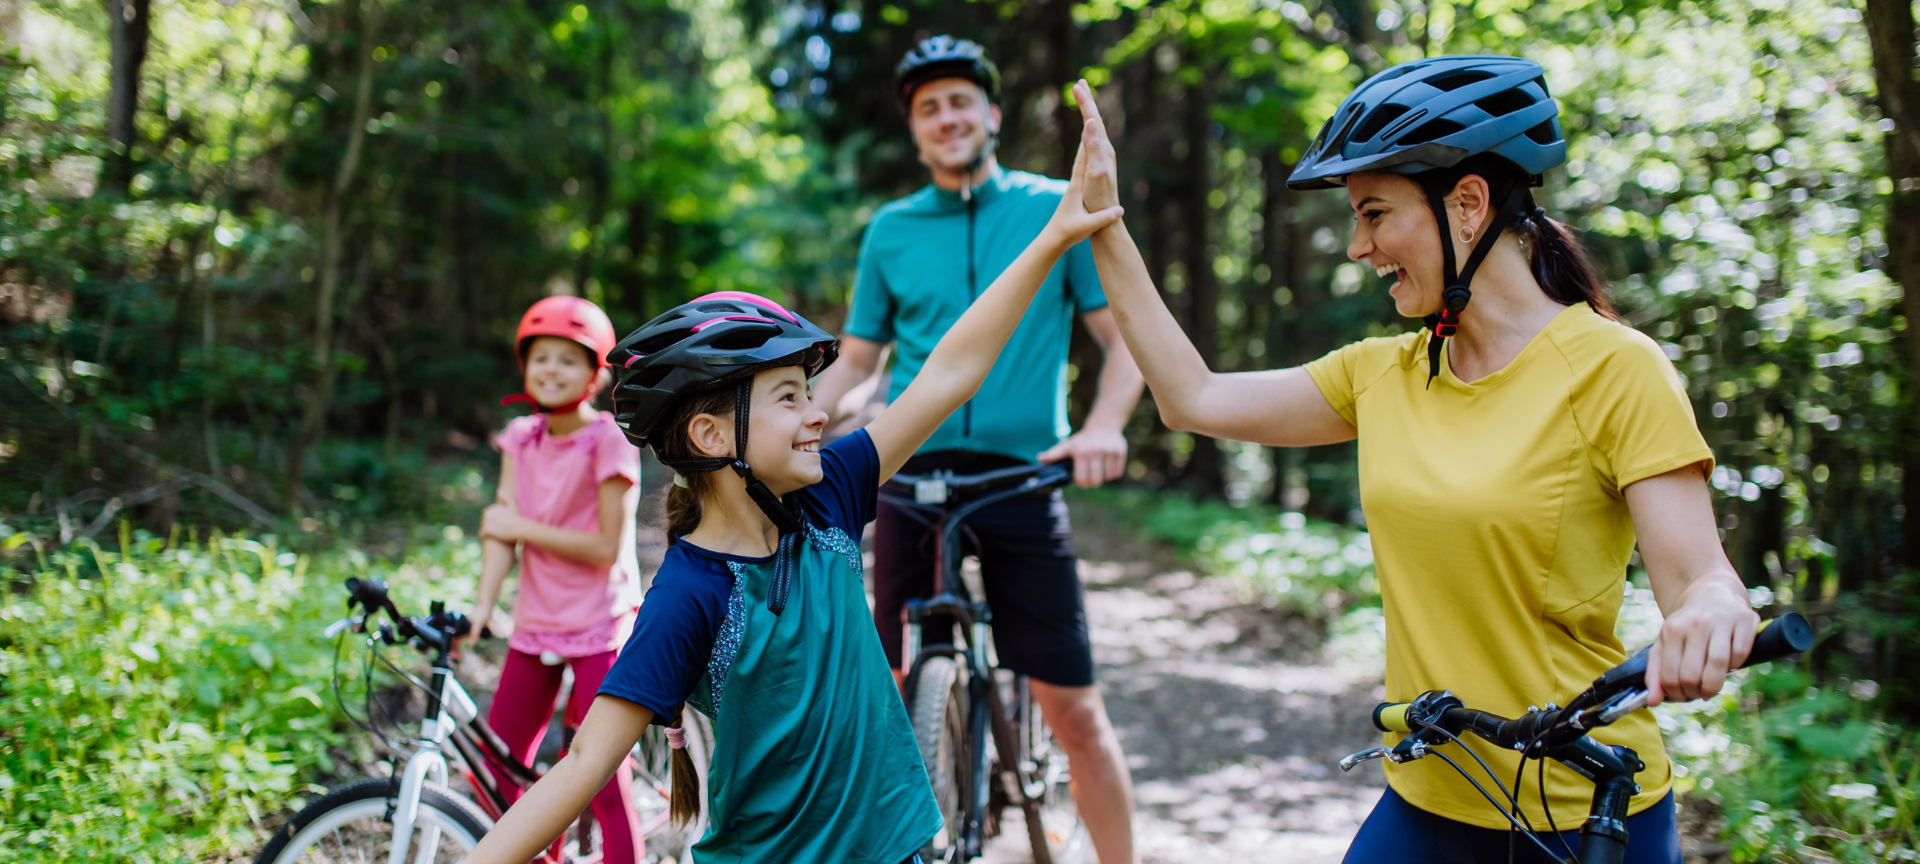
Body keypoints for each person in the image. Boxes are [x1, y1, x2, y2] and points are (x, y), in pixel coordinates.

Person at [1063, 57, 1757, 863]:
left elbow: (1698, 577)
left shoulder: (1614, 369)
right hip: (1432, 792)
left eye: (1375, 214)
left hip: (1583, 811)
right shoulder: (1382, 374)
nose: (1357, 247)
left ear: (1468, 204)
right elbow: (1193, 397)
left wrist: (1711, 612)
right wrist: (1104, 224)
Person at [460, 127, 1125, 864]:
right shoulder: (690, 593)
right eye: (788, 397)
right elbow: (585, 763)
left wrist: (1052, 238)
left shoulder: (829, 497)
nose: (818, 415)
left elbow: (947, 373)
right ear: (712, 436)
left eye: (811, 394)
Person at [808, 37, 1146, 863]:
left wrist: (1104, 424)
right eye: (928, 108)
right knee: (890, 692)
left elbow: (1125, 341)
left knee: (1075, 712)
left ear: (992, 114)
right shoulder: (891, 230)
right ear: (914, 130)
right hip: (909, 474)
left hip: (1021, 478)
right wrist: (800, 423)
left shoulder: (1051, 208)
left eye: (960, 100)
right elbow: (859, 360)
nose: (947, 117)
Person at [469, 295, 644, 863]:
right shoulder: (520, 438)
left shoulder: (608, 441)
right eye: (540, 357)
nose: (551, 370)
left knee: (602, 780)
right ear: (524, 366)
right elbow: (500, 531)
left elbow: (605, 549)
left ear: (595, 375)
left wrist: (520, 525)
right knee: (496, 769)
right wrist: (482, 607)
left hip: (600, 622)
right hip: (536, 622)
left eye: (568, 360)